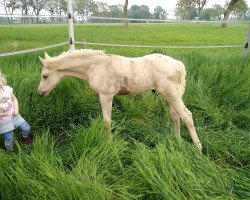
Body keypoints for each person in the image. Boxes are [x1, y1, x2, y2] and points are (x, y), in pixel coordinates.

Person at [0, 71, 33, 151]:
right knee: (9, 138)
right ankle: (10, 151)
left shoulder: (7, 89)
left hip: (14, 116)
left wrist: (16, 109)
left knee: (27, 128)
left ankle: (24, 138)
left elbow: (14, 99)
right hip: (3, 122)